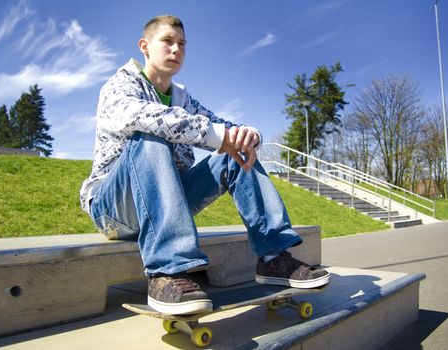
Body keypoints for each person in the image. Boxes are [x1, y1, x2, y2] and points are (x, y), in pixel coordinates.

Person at [80, 15, 330, 315]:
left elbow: (223, 127)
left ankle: (274, 255)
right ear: (145, 46)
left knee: (233, 154)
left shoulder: (183, 99)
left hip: (166, 203)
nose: (176, 50)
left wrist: (249, 136)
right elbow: (141, 116)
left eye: (182, 44)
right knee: (151, 134)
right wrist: (220, 135)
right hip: (115, 209)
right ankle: (168, 272)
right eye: (168, 42)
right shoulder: (120, 86)